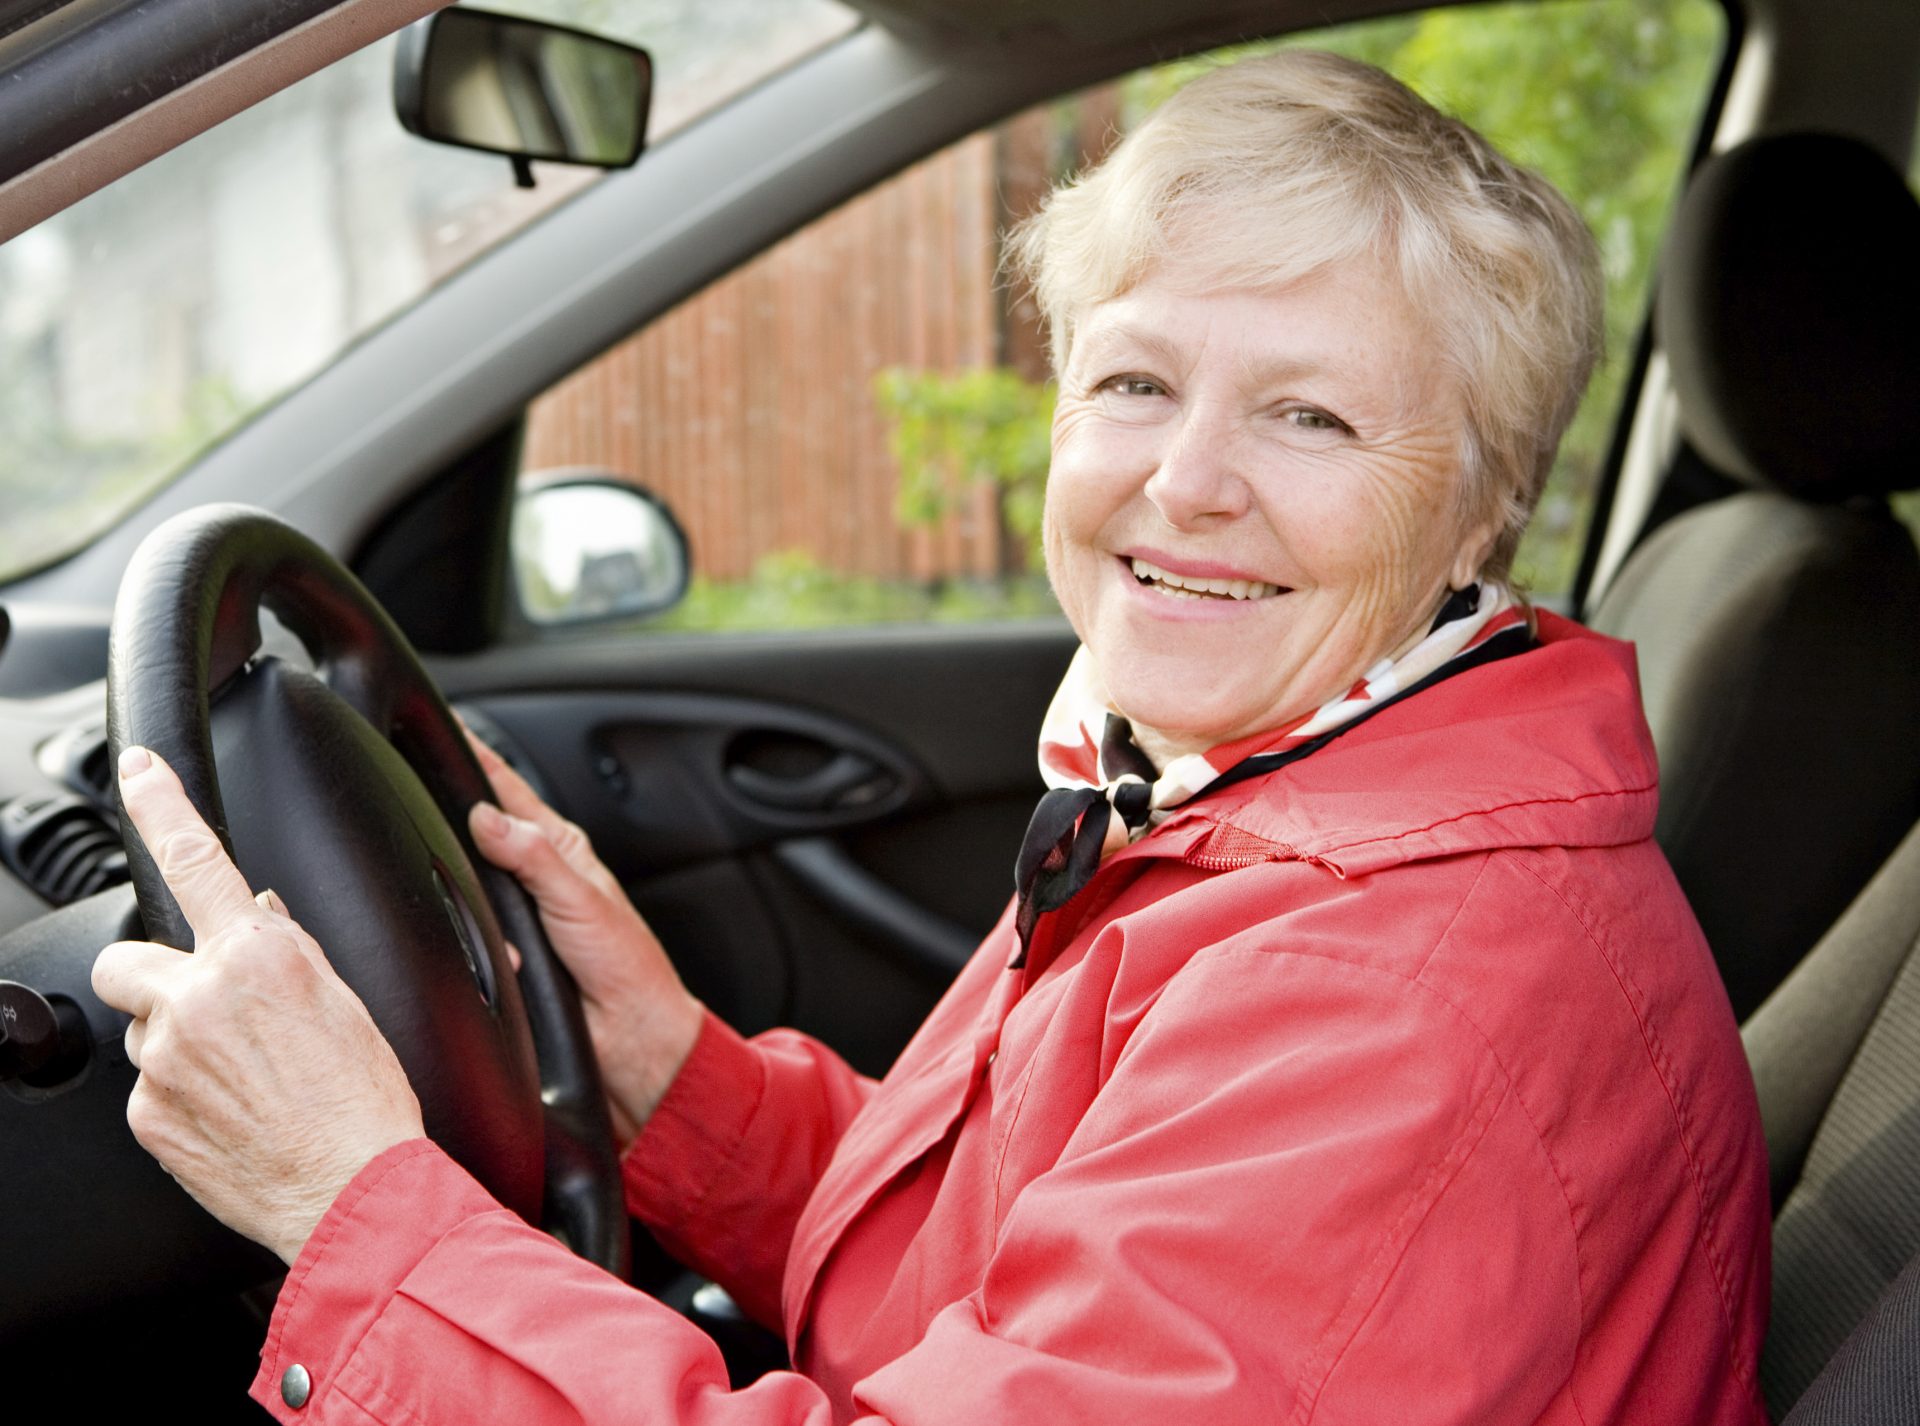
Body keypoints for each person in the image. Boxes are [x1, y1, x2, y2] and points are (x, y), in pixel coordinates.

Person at [91, 50, 1770, 1425]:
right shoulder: (1258, 792)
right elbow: (1014, 1272)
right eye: (1130, 383)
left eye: (1309, 413)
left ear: (1480, 513)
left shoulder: (1392, 1000)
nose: (1182, 481)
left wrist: (355, 1205)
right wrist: (674, 1078)